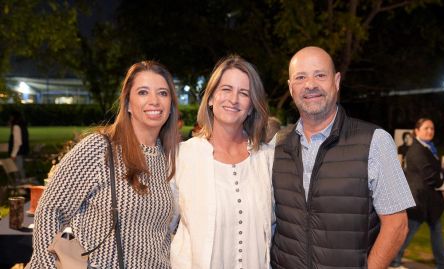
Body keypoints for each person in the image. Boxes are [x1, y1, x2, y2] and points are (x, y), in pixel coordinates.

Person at [271, 46, 416, 269]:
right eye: (301, 77)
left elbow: (397, 225)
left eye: (320, 75)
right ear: (291, 88)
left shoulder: (375, 142)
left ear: (336, 81)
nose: (310, 84)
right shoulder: (277, 147)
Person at [27, 60, 180, 268]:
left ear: (171, 105)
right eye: (143, 92)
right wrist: (47, 264)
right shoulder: (100, 148)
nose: (154, 100)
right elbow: (50, 209)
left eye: (163, 93)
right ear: (127, 103)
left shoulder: (171, 157)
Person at [170, 55, 274, 269]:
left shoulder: (267, 158)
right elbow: (162, 226)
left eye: (243, 93)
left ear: (252, 106)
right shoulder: (183, 156)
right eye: (226, 89)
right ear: (210, 98)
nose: (233, 99)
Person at [390, 118, 444, 269]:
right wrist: (443, 187)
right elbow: (428, 174)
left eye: (432, 128)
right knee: (406, 233)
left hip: (429, 201)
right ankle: (393, 262)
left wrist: (442, 185)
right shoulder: (417, 149)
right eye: (426, 128)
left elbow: (434, 172)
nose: (430, 131)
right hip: (419, 201)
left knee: (436, 232)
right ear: (417, 131)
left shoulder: (428, 148)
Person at [8, 110, 29, 181]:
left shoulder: (16, 126)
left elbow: (17, 142)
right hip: (21, 151)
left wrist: (13, 154)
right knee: (20, 168)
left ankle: (21, 184)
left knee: (18, 169)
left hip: (18, 152)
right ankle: (22, 184)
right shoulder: (22, 125)